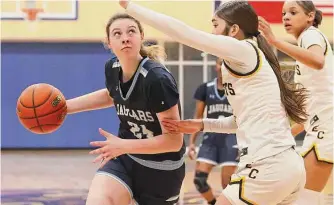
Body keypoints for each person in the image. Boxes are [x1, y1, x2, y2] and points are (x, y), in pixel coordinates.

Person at [119, 0, 309, 204]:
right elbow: (240, 121)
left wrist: (131, 7)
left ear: (234, 29)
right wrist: (202, 124)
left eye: (216, 25)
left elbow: (185, 33)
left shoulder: (243, 50)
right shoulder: (248, 60)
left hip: (267, 166)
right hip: (289, 166)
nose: (212, 31)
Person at [66, 13, 185, 205]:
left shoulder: (157, 79)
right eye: (117, 33)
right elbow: (112, 94)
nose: (125, 38)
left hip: (162, 168)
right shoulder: (112, 68)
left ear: (141, 36)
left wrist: (123, 145)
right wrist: (66, 107)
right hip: (126, 159)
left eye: (131, 31)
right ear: (109, 43)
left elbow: (173, 141)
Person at [258, 1, 333, 204]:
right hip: (319, 125)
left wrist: (274, 41)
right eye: (283, 14)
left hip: (326, 128)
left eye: (293, 12)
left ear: (310, 16)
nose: (285, 17)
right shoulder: (303, 46)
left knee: (304, 198)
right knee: (303, 197)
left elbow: (318, 61)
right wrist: (284, 134)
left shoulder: (311, 35)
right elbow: (312, 108)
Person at [188, 57, 238, 205]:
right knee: (199, 181)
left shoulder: (238, 90)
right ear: (215, 66)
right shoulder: (205, 88)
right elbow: (198, 118)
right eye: (220, 63)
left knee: (227, 185)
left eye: (226, 63)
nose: (222, 66)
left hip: (231, 139)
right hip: (210, 139)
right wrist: (191, 143)